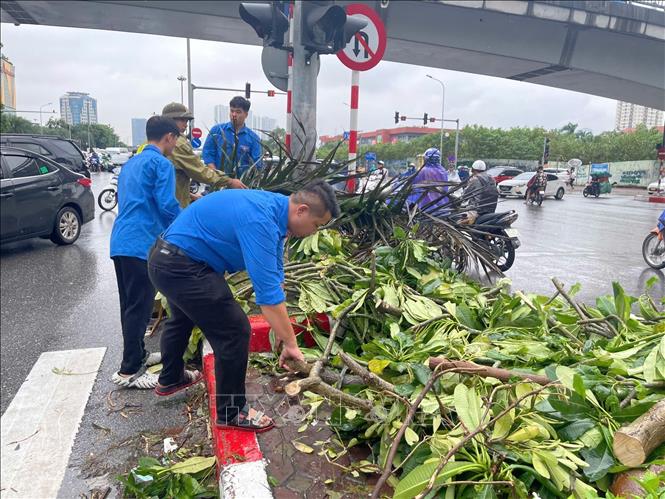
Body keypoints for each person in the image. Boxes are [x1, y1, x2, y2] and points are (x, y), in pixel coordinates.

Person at [147, 180, 340, 431]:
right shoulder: (261, 221)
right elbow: (268, 298)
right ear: (302, 210)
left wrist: (280, 327)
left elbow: (274, 272)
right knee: (234, 330)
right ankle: (231, 412)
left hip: (166, 259)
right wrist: (291, 343)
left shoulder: (275, 209)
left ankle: (171, 378)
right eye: (316, 225)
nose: (315, 232)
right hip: (183, 266)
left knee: (182, 318)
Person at [109, 116, 182, 389]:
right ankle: (129, 370)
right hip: (141, 244)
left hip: (120, 241)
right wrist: (188, 225)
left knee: (130, 305)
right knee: (139, 307)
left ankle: (138, 354)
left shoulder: (131, 163)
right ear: (169, 138)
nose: (175, 144)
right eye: (176, 139)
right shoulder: (161, 164)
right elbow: (167, 205)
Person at [161, 102, 246, 207]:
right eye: (182, 120)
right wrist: (229, 181)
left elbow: (167, 181)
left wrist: (190, 195)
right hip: (170, 207)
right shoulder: (177, 143)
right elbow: (199, 170)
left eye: (187, 120)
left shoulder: (154, 141)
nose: (186, 124)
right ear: (170, 120)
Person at [202, 96, 262, 178]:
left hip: (241, 186)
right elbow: (207, 155)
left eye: (238, 112)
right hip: (217, 182)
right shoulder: (216, 131)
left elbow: (257, 164)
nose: (234, 115)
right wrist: (217, 177)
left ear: (246, 114)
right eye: (232, 111)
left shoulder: (254, 138)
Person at [407, 147, 449, 213]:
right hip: (442, 205)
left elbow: (414, 184)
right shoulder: (443, 170)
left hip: (426, 206)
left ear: (426, 158)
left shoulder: (423, 170)